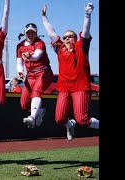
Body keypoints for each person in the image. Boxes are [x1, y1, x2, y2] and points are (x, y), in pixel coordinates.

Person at [41, 3, 99, 140]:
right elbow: (51, 33)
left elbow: (85, 30)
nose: (67, 38)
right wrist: (44, 17)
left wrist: (87, 14)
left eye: (70, 36)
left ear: (76, 38)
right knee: (59, 119)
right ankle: (69, 125)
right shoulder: (59, 48)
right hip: (64, 88)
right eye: (65, 36)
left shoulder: (81, 46)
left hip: (80, 86)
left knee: (83, 120)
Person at [16, 23, 54, 128]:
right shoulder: (20, 46)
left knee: (36, 92)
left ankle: (32, 117)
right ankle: (39, 110)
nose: (30, 34)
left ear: (36, 33)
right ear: (25, 33)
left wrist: (29, 57)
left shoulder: (40, 43)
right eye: (28, 32)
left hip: (43, 72)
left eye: (33, 32)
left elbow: (36, 56)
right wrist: (20, 71)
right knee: (23, 104)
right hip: (30, 75)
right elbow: (19, 62)